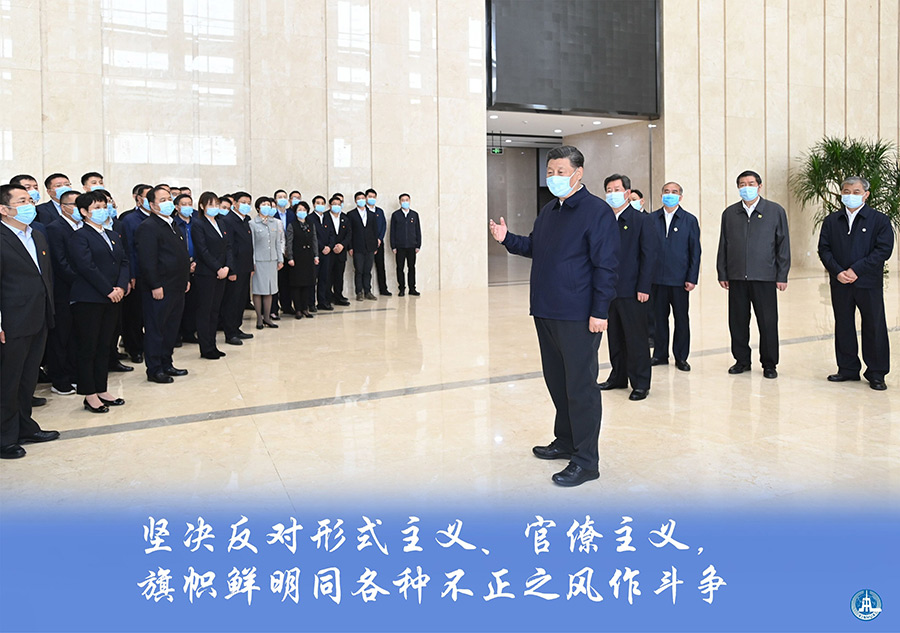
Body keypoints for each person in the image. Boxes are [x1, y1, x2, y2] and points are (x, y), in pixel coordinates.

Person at [489, 145, 619, 487]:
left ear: (578, 173)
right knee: (558, 382)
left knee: (581, 387)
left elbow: (606, 266)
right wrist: (506, 239)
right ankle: (565, 440)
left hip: (578, 314)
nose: (554, 177)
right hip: (546, 310)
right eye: (550, 172)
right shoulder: (549, 211)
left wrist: (600, 311)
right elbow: (535, 247)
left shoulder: (596, 212)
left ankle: (586, 461)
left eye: (561, 172)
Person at [0, 184, 60, 459]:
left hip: (38, 316)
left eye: (30, 200)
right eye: (22, 201)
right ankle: (5, 437)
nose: (29, 205)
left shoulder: (36, 234)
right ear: (4, 209)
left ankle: (25, 427)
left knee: (27, 379)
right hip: (11, 321)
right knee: (8, 381)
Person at [818, 176, 894, 390]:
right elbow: (824, 249)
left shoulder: (879, 220)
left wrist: (856, 270)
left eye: (856, 191)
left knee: (874, 325)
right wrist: (838, 271)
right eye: (846, 191)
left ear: (866, 195)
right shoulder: (832, 221)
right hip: (840, 282)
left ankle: (876, 373)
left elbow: (883, 250)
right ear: (841, 194)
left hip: (868, 282)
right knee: (843, 324)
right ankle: (847, 369)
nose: (851, 195)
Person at [716, 170, 790, 379]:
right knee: (738, 321)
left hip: (764, 276)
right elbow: (723, 244)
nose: (746, 187)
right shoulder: (730, 213)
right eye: (742, 184)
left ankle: (769, 363)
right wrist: (722, 272)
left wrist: (782, 275)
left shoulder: (775, 211)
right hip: (737, 276)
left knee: (767, 322)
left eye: (750, 183)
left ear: (759, 186)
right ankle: (741, 360)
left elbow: (783, 245)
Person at [67, 191, 129, 413]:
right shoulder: (79, 236)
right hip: (90, 299)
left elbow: (123, 261)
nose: (103, 211)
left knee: (105, 345)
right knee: (89, 347)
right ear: (84, 212)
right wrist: (107, 290)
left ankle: (102, 389)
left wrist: (120, 286)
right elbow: (86, 267)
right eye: (97, 208)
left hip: (113, 298)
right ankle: (89, 394)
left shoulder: (112, 234)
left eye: (104, 206)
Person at [598, 173, 657, 401]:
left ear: (627, 193)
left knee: (636, 339)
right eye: (609, 190)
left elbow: (649, 256)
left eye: (617, 189)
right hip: (608, 290)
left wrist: (644, 287)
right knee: (615, 337)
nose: (612, 194)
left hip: (633, 291)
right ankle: (618, 377)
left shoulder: (641, 220)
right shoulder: (603, 220)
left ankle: (641, 383)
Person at [134, 186, 191, 384]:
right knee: (156, 329)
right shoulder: (148, 227)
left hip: (177, 286)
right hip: (160, 288)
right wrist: (155, 285)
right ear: (152, 205)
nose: (168, 202)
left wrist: (185, 279)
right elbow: (147, 260)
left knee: (171, 328)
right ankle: (154, 369)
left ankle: (167, 363)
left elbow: (180, 255)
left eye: (169, 199)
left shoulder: (173, 224)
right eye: (162, 200)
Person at [650, 182, 701, 371]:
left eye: (674, 192)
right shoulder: (651, 219)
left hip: (680, 280)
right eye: (666, 191)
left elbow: (695, 251)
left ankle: (681, 357)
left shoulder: (689, 220)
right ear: (661, 195)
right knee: (659, 319)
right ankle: (660, 354)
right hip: (656, 279)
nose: (669, 195)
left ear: (680, 196)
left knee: (681, 318)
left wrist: (692, 278)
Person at [43, 189, 82, 396]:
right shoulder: (55, 228)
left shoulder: (83, 226)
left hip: (81, 293)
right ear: (64, 207)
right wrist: (82, 281)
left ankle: (74, 374)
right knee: (61, 337)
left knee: (76, 335)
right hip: (63, 291)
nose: (78, 209)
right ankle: (59, 379)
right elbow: (60, 262)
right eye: (74, 205)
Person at [191, 192, 231, 360]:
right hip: (206, 274)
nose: (214, 208)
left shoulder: (221, 223)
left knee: (215, 310)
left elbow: (228, 247)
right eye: (211, 204)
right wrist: (217, 268)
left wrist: (227, 267)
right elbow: (202, 250)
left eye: (216, 204)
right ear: (202, 206)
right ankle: (205, 347)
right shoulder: (198, 224)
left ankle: (213, 345)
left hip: (222, 273)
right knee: (205, 311)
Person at [121, 184, 153, 363]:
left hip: (155, 274)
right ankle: (135, 349)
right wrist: (131, 275)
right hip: (138, 273)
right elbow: (128, 249)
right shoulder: (130, 220)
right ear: (138, 198)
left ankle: (150, 346)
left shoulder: (160, 219)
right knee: (135, 315)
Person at [219, 191, 255, 345]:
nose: (246, 205)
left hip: (245, 267)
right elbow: (229, 247)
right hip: (235, 269)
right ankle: (230, 332)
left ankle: (237, 327)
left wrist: (250, 266)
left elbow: (248, 245)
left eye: (248, 203)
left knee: (241, 301)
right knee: (232, 301)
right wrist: (231, 270)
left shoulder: (245, 220)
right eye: (243, 202)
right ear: (234, 203)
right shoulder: (228, 220)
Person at [249, 197, 284, 329]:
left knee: (270, 290)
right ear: (258, 207)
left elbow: (277, 242)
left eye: (268, 205)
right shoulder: (253, 223)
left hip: (272, 261)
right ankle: (259, 318)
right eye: (263, 204)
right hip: (259, 261)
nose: (266, 207)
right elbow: (252, 245)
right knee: (258, 291)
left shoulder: (274, 223)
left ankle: (267, 318)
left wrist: (280, 259)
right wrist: (252, 263)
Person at [285, 201, 319, 319]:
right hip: (297, 257)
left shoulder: (311, 224)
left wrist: (316, 255)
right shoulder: (292, 225)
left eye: (304, 210)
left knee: (307, 284)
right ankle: (298, 309)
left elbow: (314, 240)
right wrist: (290, 257)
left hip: (308, 257)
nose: (302, 212)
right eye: (299, 210)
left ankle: (305, 308)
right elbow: (289, 242)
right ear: (295, 212)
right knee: (297, 285)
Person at [174, 194, 199, 345]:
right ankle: (176, 335)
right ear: (177, 207)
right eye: (184, 204)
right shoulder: (174, 224)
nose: (187, 206)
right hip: (179, 269)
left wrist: (196, 262)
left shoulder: (197, 223)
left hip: (196, 266)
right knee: (178, 305)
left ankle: (190, 332)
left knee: (193, 303)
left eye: (189, 203)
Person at [348, 191, 378, 301]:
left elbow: (375, 231)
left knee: (367, 270)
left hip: (370, 246)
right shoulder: (351, 214)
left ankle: (368, 291)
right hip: (357, 247)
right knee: (359, 270)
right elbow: (349, 232)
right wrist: (350, 247)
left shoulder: (372, 214)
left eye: (362, 198)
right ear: (355, 201)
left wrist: (375, 246)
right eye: (358, 198)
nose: (361, 200)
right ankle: (359, 292)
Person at [390, 193, 422, 296]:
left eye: (407, 200)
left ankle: (412, 288)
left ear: (410, 201)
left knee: (411, 267)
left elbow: (418, 230)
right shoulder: (395, 215)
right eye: (403, 200)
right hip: (400, 246)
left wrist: (418, 245)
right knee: (400, 268)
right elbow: (392, 232)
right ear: (400, 202)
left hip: (412, 246)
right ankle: (401, 289)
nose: (405, 202)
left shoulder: (414, 215)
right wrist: (393, 246)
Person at [308, 195, 335, 311]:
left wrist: (329, 246)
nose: (320, 205)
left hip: (327, 253)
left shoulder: (327, 218)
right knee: (313, 279)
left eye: (322, 203)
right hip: (315, 253)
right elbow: (312, 236)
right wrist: (322, 247)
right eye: (318, 203)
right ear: (314, 204)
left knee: (324, 278)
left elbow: (332, 234)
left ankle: (322, 301)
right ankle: (311, 303)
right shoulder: (310, 218)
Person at [324, 195, 352, 306]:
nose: (336, 206)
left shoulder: (345, 218)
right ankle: (327, 297)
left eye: (338, 204)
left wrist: (342, 245)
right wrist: (331, 246)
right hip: (328, 252)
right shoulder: (325, 216)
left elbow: (349, 234)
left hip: (341, 252)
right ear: (330, 205)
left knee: (339, 276)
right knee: (327, 276)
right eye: (334, 204)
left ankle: (338, 296)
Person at [272, 189, 295, 318]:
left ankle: (287, 306)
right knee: (276, 281)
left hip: (289, 253)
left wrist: (288, 250)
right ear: (275, 200)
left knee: (287, 281)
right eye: (279, 197)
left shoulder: (291, 214)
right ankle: (274, 308)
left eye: (284, 197)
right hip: (276, 253)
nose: (282, 199)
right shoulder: (272, 214)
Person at [365, 188, 391, 296]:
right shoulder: (363, 211)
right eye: (369, 197)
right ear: (366, 198)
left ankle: (383, 289)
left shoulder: (379, 211)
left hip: (379, 243)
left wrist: (379, 239)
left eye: (373, 197)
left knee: (381, 266)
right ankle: (367, 290)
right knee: (366, 268)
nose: (372, 199)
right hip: (367, 244)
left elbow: (383, 226)